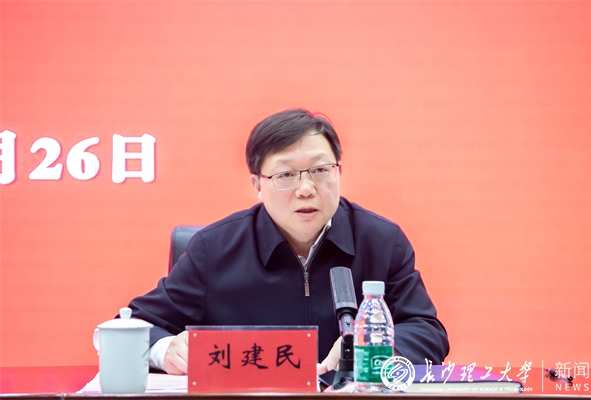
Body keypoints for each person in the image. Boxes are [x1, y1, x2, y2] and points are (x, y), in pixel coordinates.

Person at [127, 108, 449, 377]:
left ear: (339, 171)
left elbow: (427, 331)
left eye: (320, 170)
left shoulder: (382, 241)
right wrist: (165, 351)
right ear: (257, 184)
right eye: (286, 175)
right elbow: (132, 326)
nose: (306, 189)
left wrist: (379, 348)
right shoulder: (213, 250)